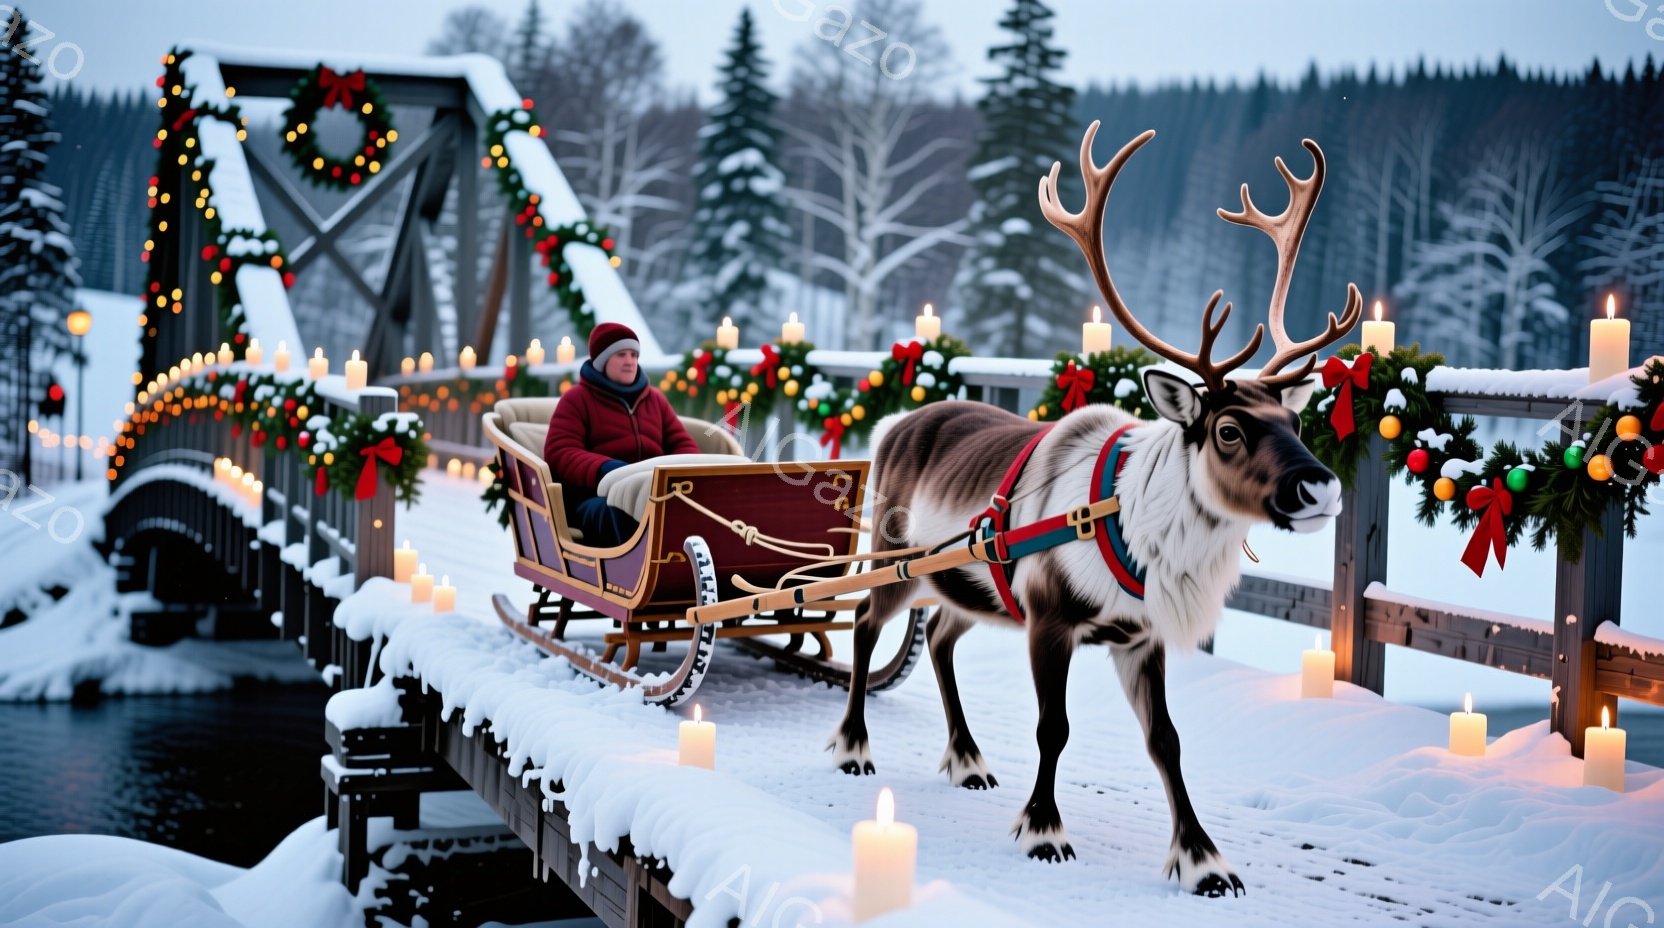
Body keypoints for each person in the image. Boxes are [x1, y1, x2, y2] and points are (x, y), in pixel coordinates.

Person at [543, 322, 700, 546]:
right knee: (618, 512)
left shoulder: (655, 399)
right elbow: (561, 452)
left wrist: (680, 471)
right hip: (596, 497)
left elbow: (683, 444)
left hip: (653, 492)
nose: (630, 361)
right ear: (602, 361)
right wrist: (607, 469)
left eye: (634, 355)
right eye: (621, 355)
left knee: (696, 508)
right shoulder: (577, 399)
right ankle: (635, 575)